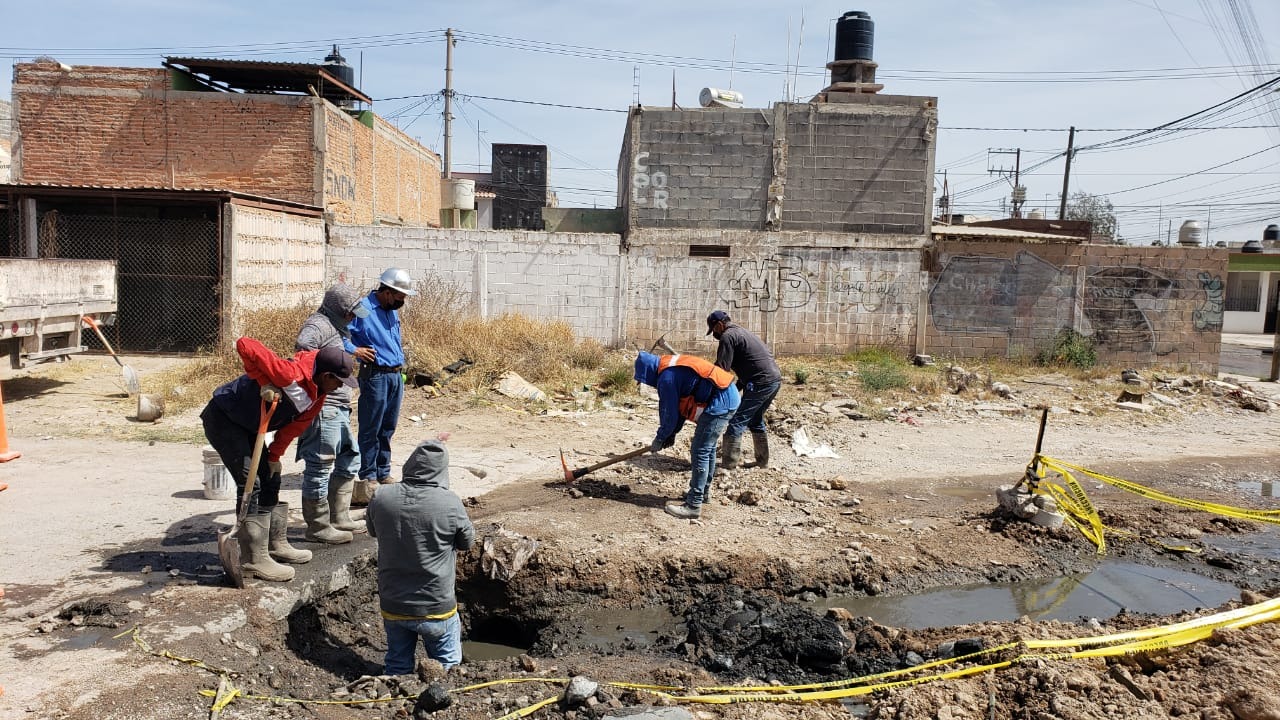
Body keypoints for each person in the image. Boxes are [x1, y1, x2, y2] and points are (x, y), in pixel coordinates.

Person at [201, 339, 358, 582]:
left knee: (271, 479)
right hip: (224, 418)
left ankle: (274, 545)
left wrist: (274, 456)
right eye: (338, 380)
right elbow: (245, 344)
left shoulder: (318, 396)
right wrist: (264, 381)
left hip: (251, 426)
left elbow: (292, 429)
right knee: (250, 483)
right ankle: (252, 559)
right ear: (326, 375)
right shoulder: (290, 374)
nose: (340, 387)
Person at [366, 439, 475, 673]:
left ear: (409, 465)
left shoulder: (381, 497)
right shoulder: (450, 502)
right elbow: (467, 542)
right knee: (448, 668)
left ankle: (392, 701)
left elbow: (373, 530)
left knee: (396, 664)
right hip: (437, 606)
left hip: (393, 603)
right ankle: (441, 704)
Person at [294, 283, 371, 545]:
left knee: (350, 458)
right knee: (320, 464)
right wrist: (338, 358)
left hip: (339, 405)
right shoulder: (318, 325)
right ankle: (317, 526)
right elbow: (303, 347)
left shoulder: (338, 326)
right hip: (324, 406)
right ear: (337, 310)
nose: (352, 318)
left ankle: (339, 516)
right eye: (349, 313)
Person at [633, 350, 741, 520]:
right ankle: (703, 493)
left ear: (647, 372)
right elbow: (680, 410)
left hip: (720, 401)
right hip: (728, 395)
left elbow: (669, 413)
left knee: (701, 450)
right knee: (708, 448)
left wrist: (661, 437)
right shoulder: (669, 366)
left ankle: (693, 505)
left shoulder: (666, 378)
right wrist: (672, 434)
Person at [347, 267, 417, 503]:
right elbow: (336, 332)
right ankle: (368, 475)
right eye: (400, 296)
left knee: (388, 427)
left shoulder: (391, 310)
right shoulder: (363, 308)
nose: (403, 301)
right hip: (375, 375)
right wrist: (353, 350)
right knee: (371, 427)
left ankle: (383, 471)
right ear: (387, 292)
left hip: (395, 376)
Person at [706, 310, 783, 470]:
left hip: (760, 382)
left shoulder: (728, 337)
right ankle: (762, 462)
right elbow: (748, 366)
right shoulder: (742, 332)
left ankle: (728, 465)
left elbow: (721, 369)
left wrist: (708, 390)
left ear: (719, 325)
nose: (714, 334)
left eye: (714, 330)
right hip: (773, 380)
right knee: (755, 420)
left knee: (736, 422)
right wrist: (734, 389)